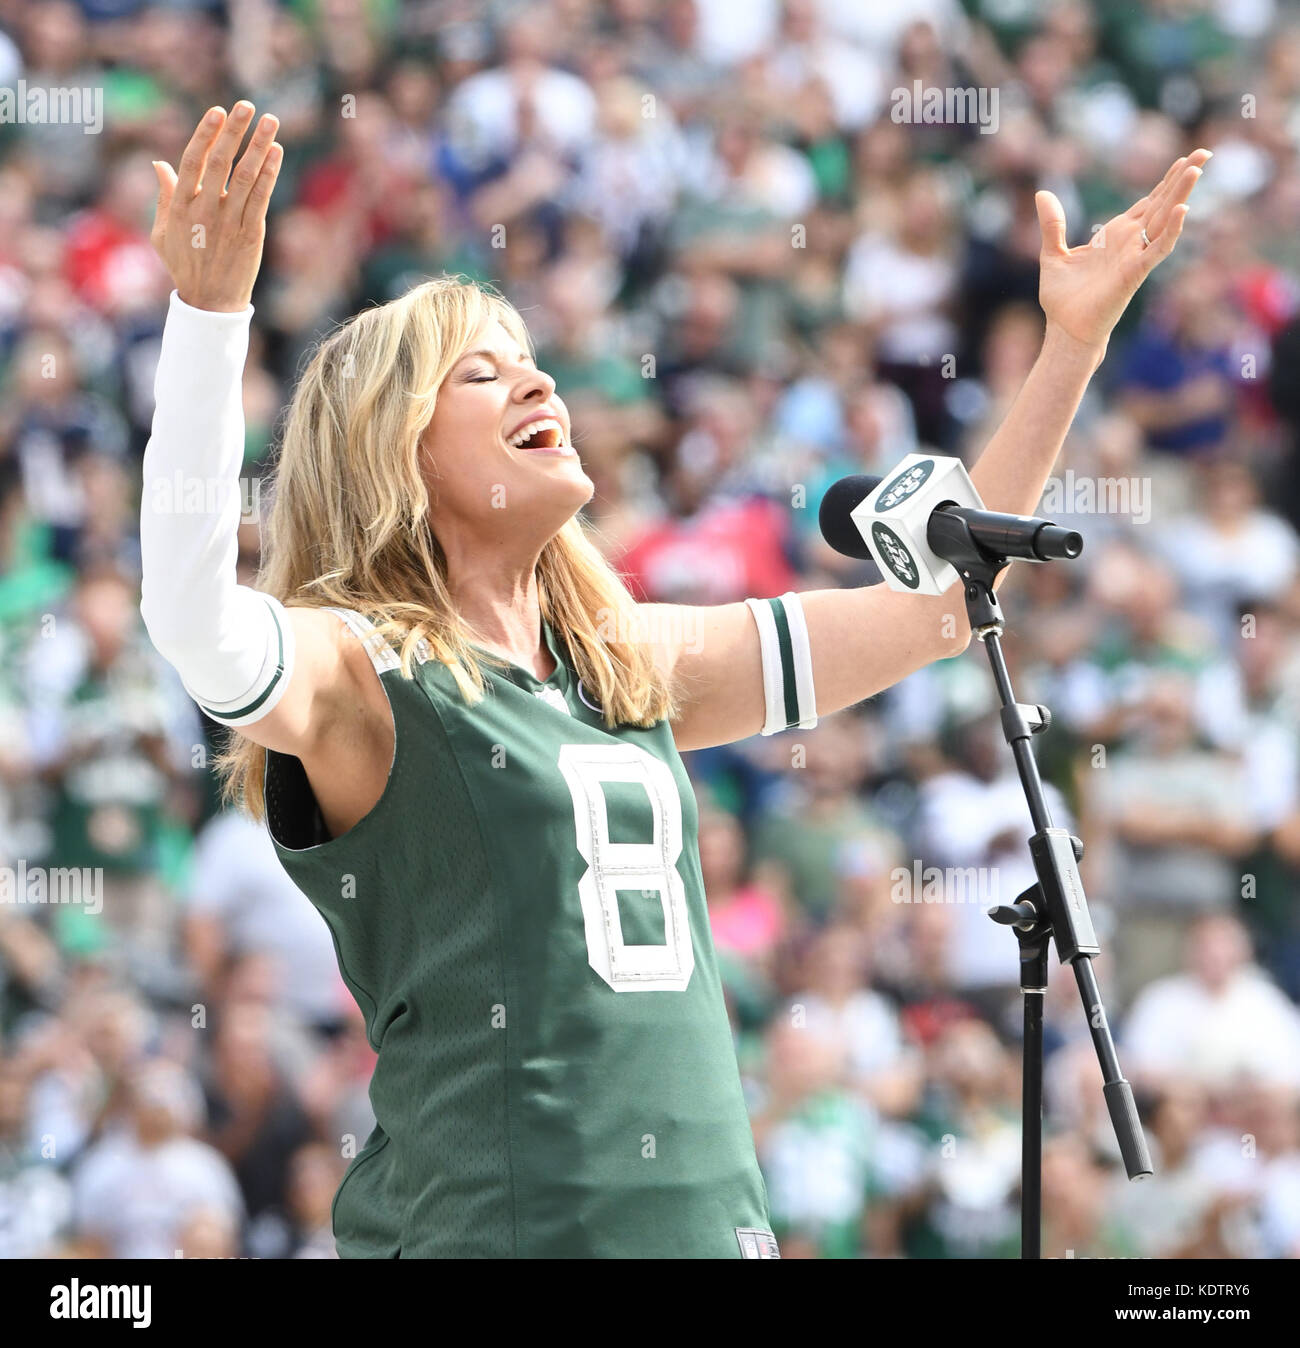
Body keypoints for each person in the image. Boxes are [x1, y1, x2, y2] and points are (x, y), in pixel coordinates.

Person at [137, 99, 1207, 1258]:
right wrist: (209, 316)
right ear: (391, 451)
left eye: (534, 364)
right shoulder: (366, 667)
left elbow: (940, 605)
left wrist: (1071, 345)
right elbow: (193, 619)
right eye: (482, 375)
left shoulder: (622, 661)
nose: (538, 387)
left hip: (709, 1225)